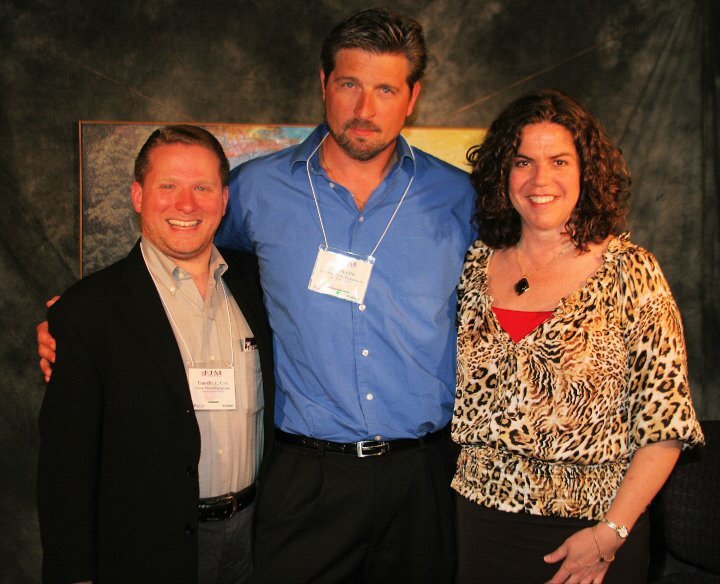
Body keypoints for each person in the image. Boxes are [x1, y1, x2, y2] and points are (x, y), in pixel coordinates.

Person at [38, 9, 475, 582]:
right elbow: (186, 251)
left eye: (385, 89)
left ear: (412, 96)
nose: (364, 110)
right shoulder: (255, 189)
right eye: (349, 84)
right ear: (323, 85)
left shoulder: (458, 197)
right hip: (305, 480)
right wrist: (78, 322)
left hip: (423, 477)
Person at [452, 89, 704, 584]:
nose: (540, 179)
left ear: (586, 170)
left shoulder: (633, 272)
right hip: (478, 524)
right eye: (523, 161)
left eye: (559, 161)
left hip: (591, 534)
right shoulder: (476, 265)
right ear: (503, 173)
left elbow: (666, 425)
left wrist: (610, 534)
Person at [37, 125, 275, 584]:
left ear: (223, 200)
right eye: (168, 186)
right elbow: (65, 469)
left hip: (254, 542)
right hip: (147, 550)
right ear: (137, 196)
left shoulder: (259, 285)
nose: (186, 204)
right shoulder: (89, 310)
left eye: (202, 187)